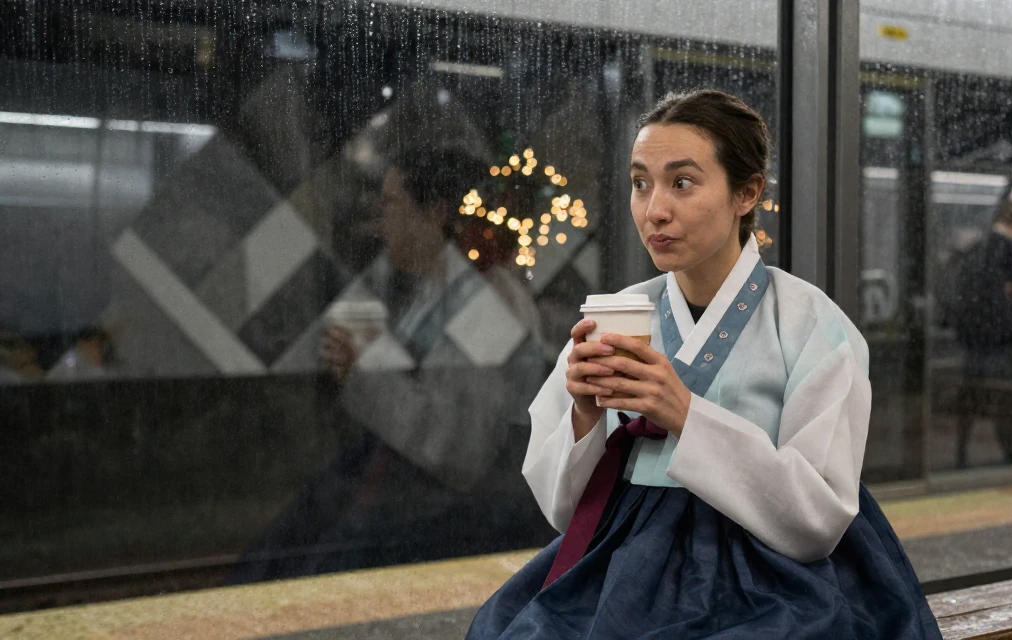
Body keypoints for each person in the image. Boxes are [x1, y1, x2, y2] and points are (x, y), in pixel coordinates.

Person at [469, 90, 939, 638]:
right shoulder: (616, 316)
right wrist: (585, 418)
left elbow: (817, 520)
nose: (654, 209)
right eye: (640, 183)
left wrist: (684, 413)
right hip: (621, 560)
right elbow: (564, 513)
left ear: (747, 193)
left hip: (774, 577)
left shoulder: (812, 323)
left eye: (682, 182)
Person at [226, 146, 546, 582]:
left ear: (434, 213)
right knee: (287, 536)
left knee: (321, 561)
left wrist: (362, 372)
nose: (381, 224)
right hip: (399, 470)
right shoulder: (430, 288)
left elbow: (457, 451)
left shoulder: (489, 304)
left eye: (392, 204)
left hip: (460, 502)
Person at [952, 199, 1012, 468]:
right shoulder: (1011, 248)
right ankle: (1009, 452)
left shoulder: (976, 248)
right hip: (1000, 339)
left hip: (973, 339)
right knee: (1004, 397)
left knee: (971, 396)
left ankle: (961, 452)